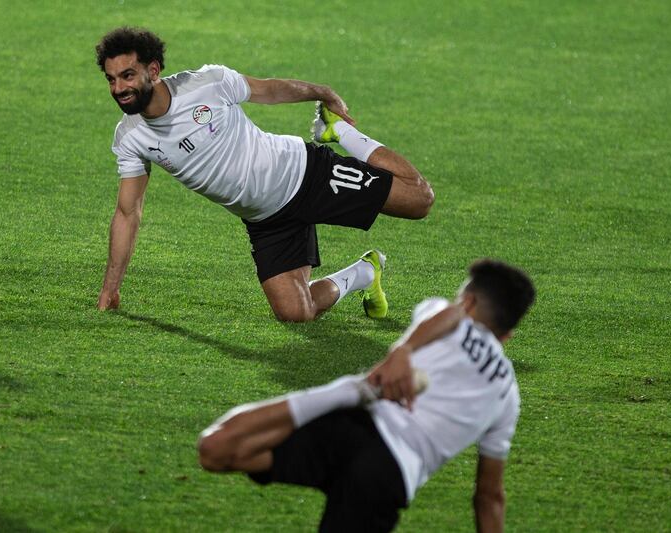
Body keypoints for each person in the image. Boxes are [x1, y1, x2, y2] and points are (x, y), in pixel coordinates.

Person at [94, 27, 435, 322]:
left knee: (419, 200)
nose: (118, 88)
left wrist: (321, 92)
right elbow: (128, 212)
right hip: (266, 220)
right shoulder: (130, 137)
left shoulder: (207, 84)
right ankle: (365, 272)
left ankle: (338, 133)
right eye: (111, 79)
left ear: (153, 70)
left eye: (127, 75)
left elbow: (270, 90)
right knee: (295, 313)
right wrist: (111, 288)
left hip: (305, 175)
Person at [198, 259, 536, 532]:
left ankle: (348, 391)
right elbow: (489, 497)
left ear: (469, 301)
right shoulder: (507, 394)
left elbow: (450, 313)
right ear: (506, 336)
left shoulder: (444, 315)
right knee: (218, 450)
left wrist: (401, 351)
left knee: (217, 449)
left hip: (351, 425)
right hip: (386, 476)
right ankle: (350, 391)